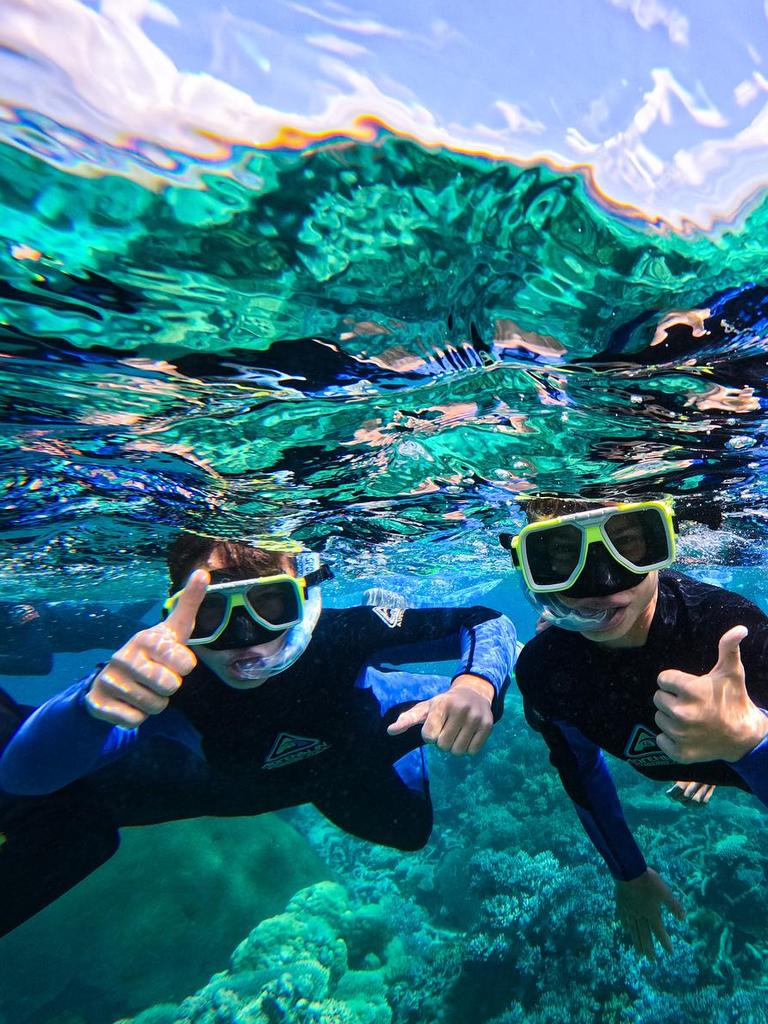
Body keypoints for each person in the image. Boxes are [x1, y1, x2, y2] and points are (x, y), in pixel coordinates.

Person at [0, 532, 516, 936]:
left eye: (271, 607)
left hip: (355, 749)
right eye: (210, 613)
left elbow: (486, 621)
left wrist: (475, 684)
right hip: (262, 778)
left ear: (305, 598)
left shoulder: (340, 634)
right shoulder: (166, 682)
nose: (247, 644)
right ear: (178, 614)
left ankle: (391, 683)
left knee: (408, 830)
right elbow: (24, 776)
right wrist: (89, 709)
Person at [503, 496, 768, 959]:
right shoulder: (548, 672)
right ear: (531, 568)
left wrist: (747, 743)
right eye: (562, 555)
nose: (603, 582)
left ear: (662, 542)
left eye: (628, 545)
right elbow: (579, 768)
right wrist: (629, 872)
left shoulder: (732, 633)